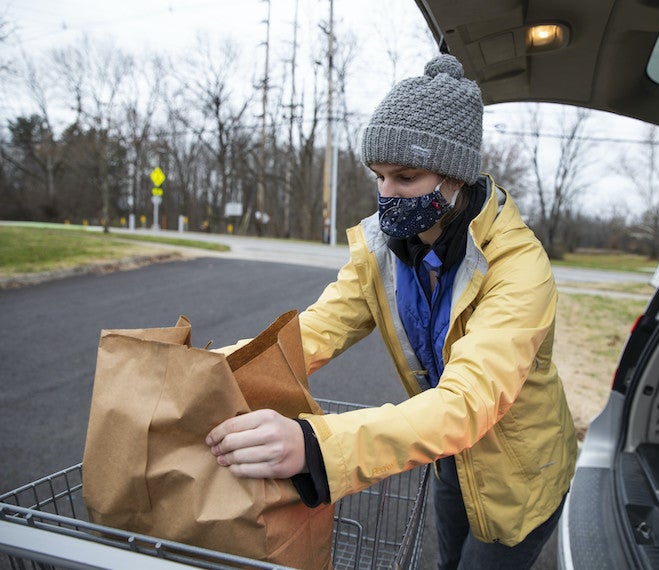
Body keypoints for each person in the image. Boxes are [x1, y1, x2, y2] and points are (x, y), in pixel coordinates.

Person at [206, 53, 578, 570]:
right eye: (378, 176)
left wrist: (316, 447)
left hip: (522, 472)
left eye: (405, 177)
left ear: (456, 178)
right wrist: (207, 370)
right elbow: (312, 333)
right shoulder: (383, 249)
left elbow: (468, 400)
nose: (386, 196)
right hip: (450, 458)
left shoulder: (518, 266)